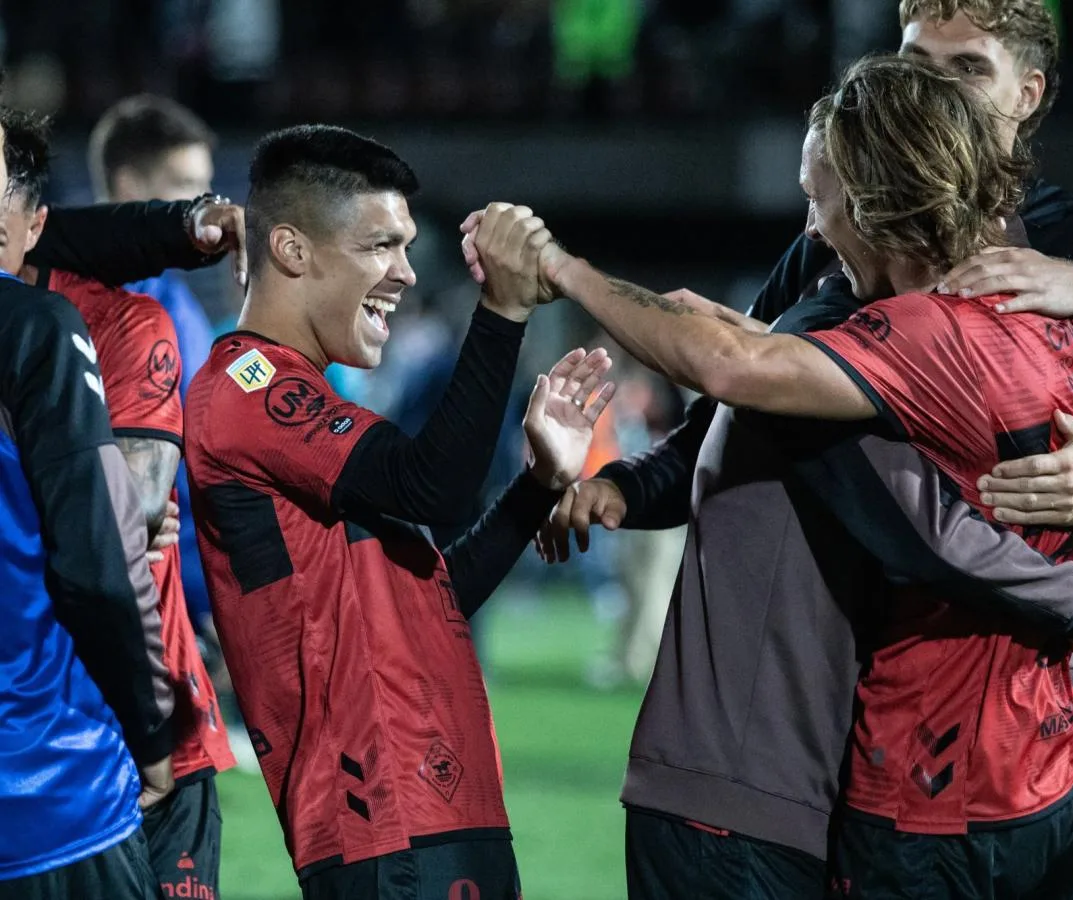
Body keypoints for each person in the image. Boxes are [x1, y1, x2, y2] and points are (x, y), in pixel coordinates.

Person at [461, 0, 1073, 893]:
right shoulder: (1013, 314)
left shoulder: (1017, 293)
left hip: (912, 783)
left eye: (963, 70)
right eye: (913, 65)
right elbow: (745, 406)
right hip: (1006, 760)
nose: (928, 91)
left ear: (1027, 95)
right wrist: (630, 485)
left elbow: (891, 494)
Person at [184, 125, 614, 900]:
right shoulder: (247, 388)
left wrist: (537, 486)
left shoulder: (308, 400)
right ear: (291, 250)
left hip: (441, 806)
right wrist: (501, 315)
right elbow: (432, 487)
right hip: (381, 818)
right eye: (380, 246)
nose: (406, 273)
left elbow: (430, 603)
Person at [2, 107, 238, 900]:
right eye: (186, 190)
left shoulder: (141, 322)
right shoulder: (58, 323)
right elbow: (120, 529)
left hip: (132, 708)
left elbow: (134, 525)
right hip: (76, 746)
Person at [89, 95, 227, 655]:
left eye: (208, 188)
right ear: (129, 185)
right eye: (185, 186)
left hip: (179, 606)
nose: (206, 209)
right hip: (115, 613)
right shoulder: (86, 305)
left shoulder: (177, 301)